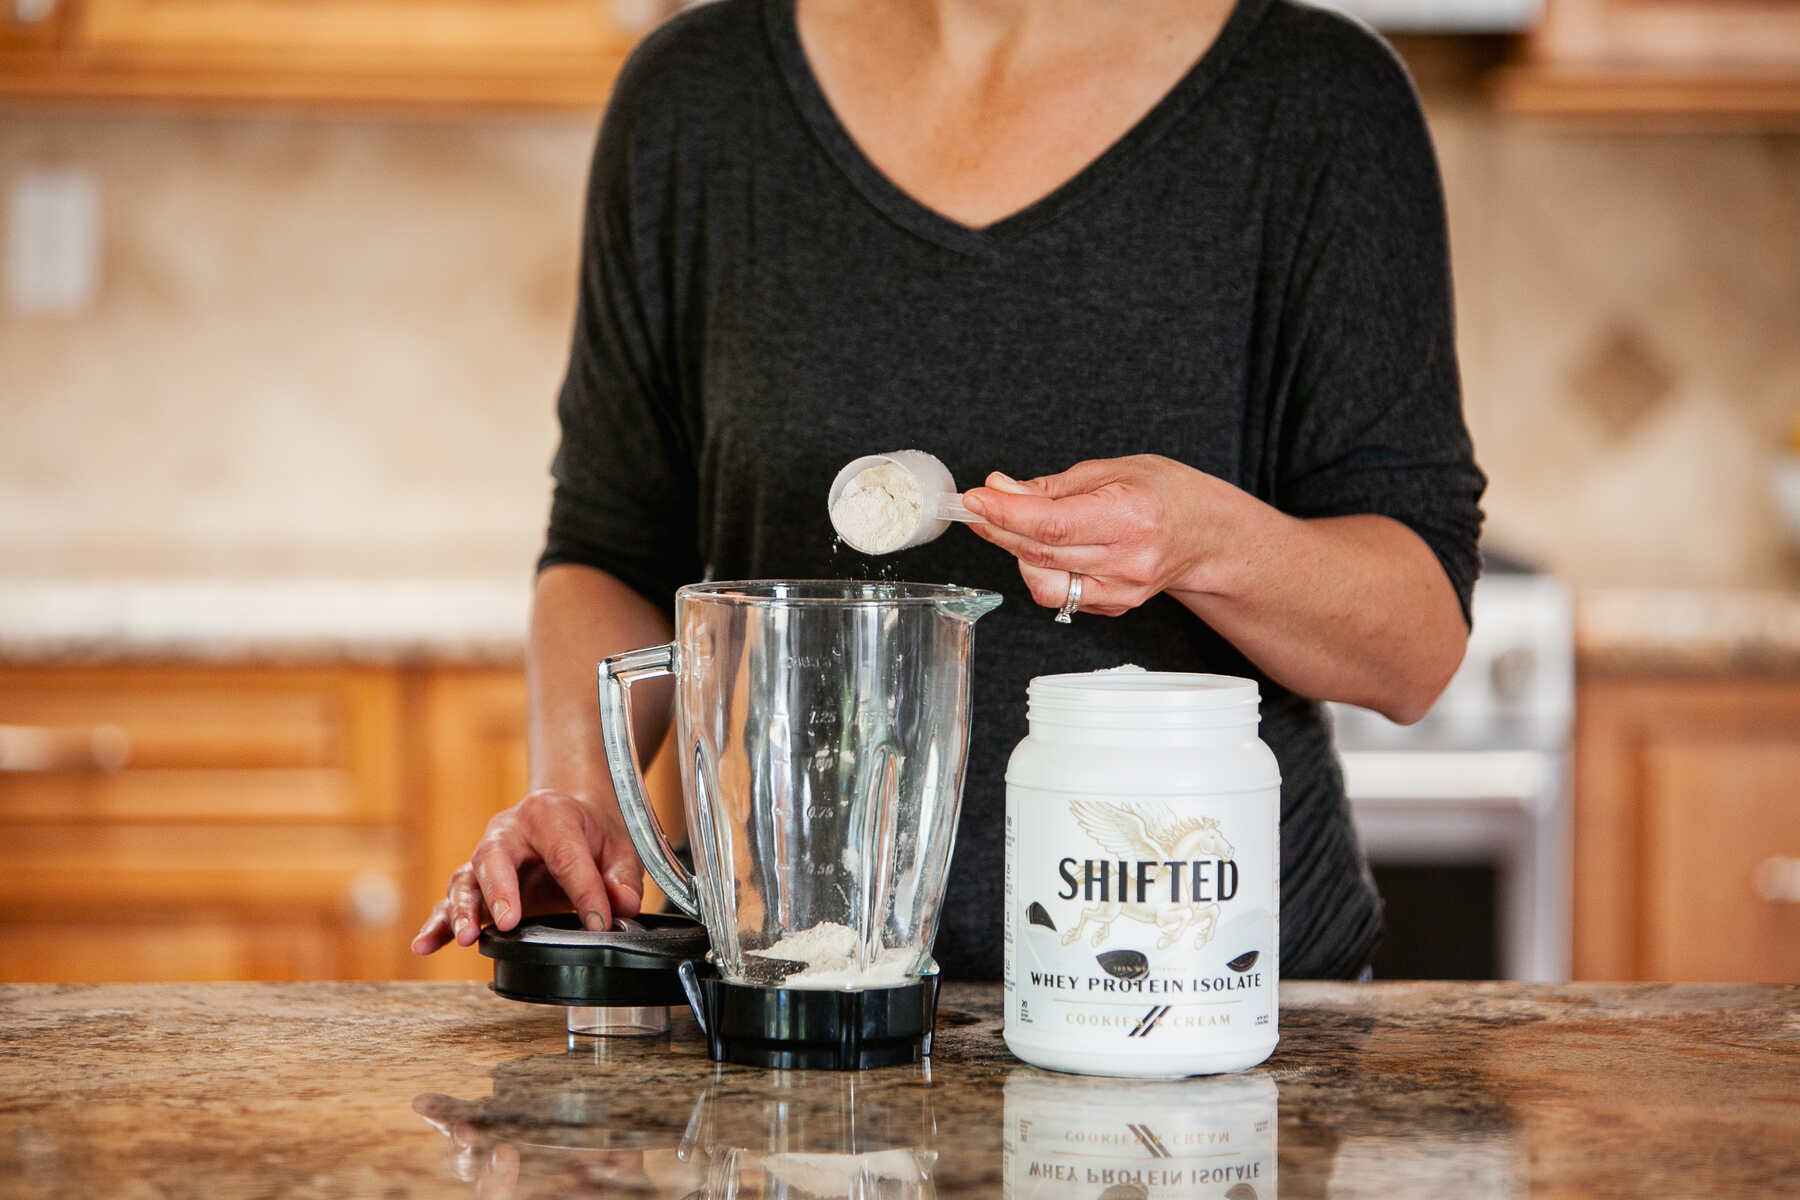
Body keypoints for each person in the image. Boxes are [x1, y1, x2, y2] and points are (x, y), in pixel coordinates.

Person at [412, 0, 1486, 982]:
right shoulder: (697, 96)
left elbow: (1415, 647)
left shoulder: (1321, 102)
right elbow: (609, 545)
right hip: (790, 992)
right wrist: (585, 806)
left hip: (1212, 1003)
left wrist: (1201, 544)